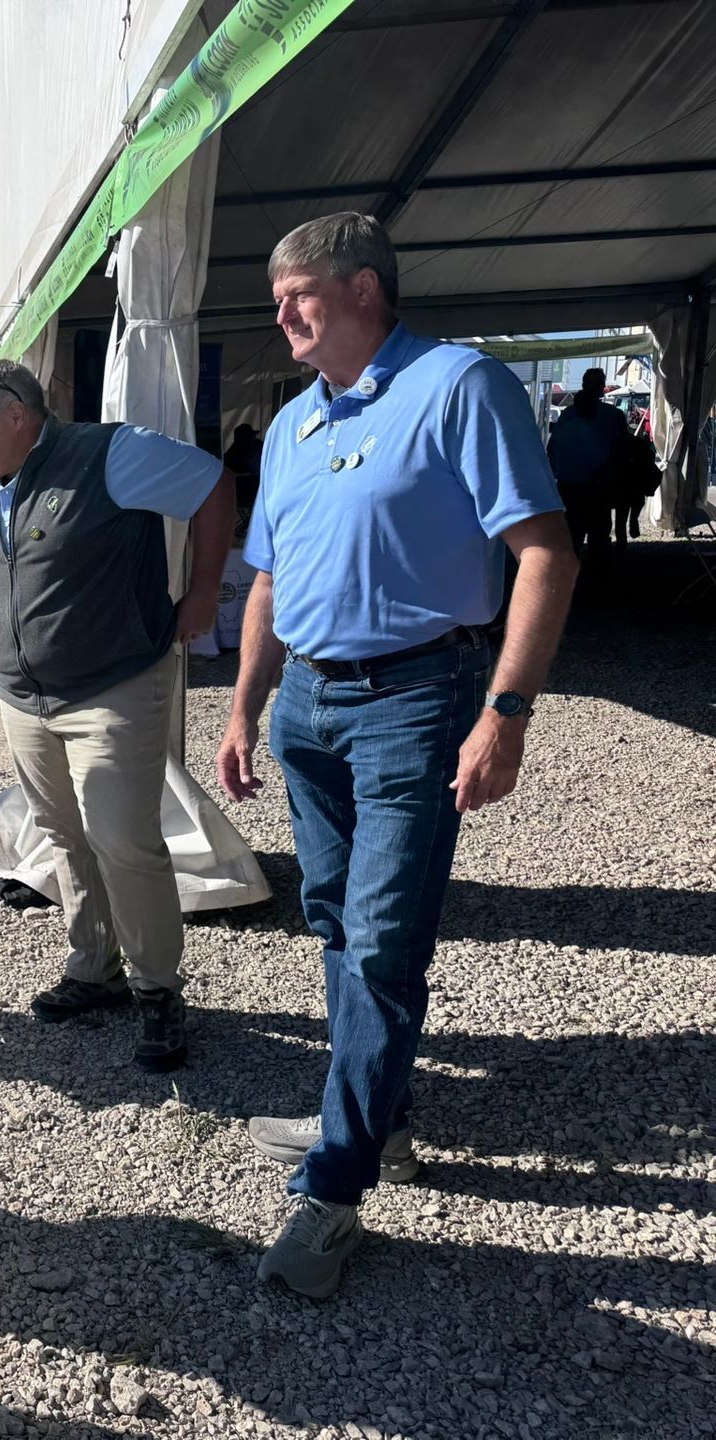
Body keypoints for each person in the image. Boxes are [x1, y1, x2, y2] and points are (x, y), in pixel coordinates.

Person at [215, 214, 576, 1299]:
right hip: (310, 709)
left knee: (379, 939)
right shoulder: (292, 426)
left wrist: (505, 712)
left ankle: (336, 1182)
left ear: (366, 288)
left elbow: (544, 551)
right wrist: (244, 710)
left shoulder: (458, 387)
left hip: (418, 699)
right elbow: (267, 583)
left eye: (300, 297)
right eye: (277, 299)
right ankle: (378, 1122)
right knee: (332, 921)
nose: (280, 317)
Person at [0, 358, 235, 1074]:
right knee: (63, 835)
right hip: (26, 697)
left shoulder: (111, 454)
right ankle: (93, 967)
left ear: (18, 414)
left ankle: (158, 990)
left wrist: (202, 594)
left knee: (123, 840)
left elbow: (212, 486)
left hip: (112, 686)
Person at [546, 367, 628, 576]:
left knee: (571, 536)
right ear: (602, 389)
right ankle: (597, 583)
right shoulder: (613, 416)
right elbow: (622, 453)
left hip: (567, 486)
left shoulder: (567, 415)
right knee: (598, 537)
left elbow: (551, 450)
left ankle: (569, 583)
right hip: (597, 486)